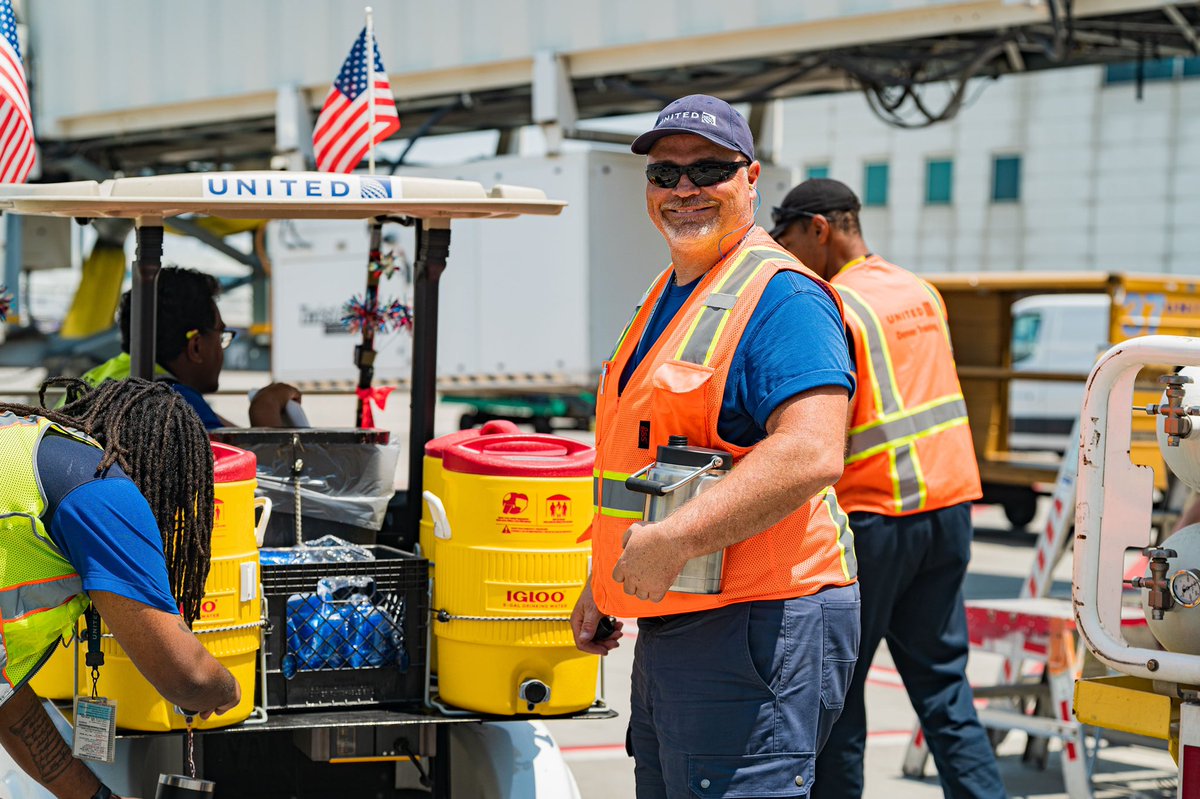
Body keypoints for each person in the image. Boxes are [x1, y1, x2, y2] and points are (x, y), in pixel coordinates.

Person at [569, 95, 860, 798]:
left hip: (756, 623)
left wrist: (670, 542)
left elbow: (813, 450)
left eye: (708, 169)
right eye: (665, 175)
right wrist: (603, 580)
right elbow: (647, 459)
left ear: (751, 177)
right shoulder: (670, 292)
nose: (684, 190)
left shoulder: (783, 296)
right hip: (684, 616)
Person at [771, 178, 1005, 799]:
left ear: (819, 229)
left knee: (838, 695)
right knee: (944, 687)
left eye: (789, 240)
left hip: (875, 518)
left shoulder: (834, 305)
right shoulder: (918, 291)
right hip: (949, 509)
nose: (787, 255)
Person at [0, 377, 241, 799]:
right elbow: (187, 678)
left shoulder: (26, 447)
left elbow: (6, 701)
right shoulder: (102, 491)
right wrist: (225, 686)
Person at [81, 266, 301, 429]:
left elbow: (224, 431)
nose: (222, 348)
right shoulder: (173, 404)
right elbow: (262, 475)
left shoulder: (99, 377)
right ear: (196, 346)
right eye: (221, 336)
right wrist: (265, 408)